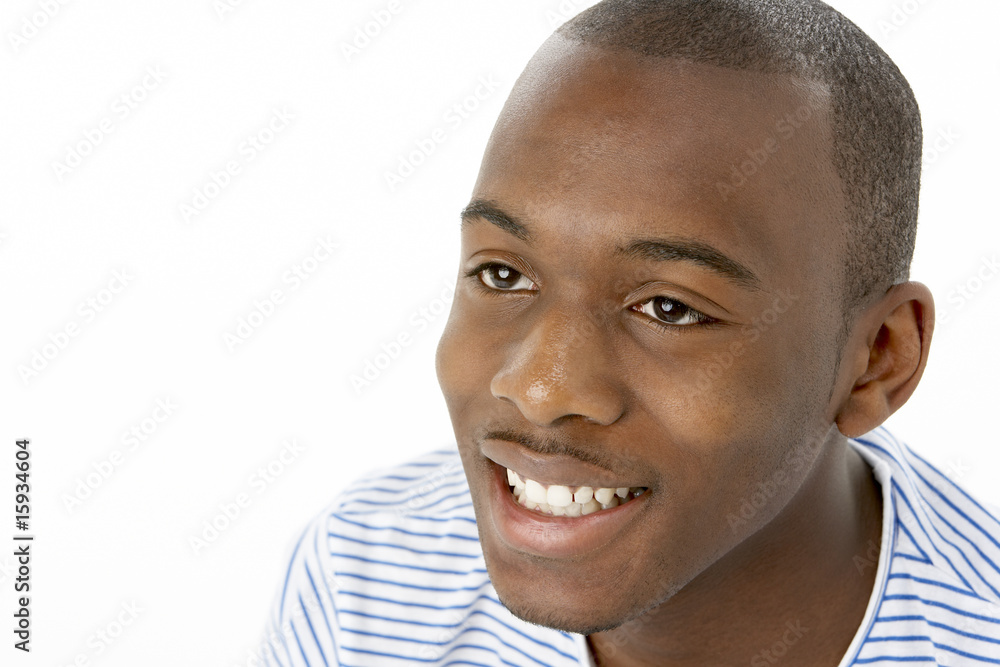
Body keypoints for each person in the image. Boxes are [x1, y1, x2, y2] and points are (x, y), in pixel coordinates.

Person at [260, 1, 1000, 664]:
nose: (542, 389)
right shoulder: (361, 585)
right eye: (503, 274)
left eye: (670, 308)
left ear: (877, 360)